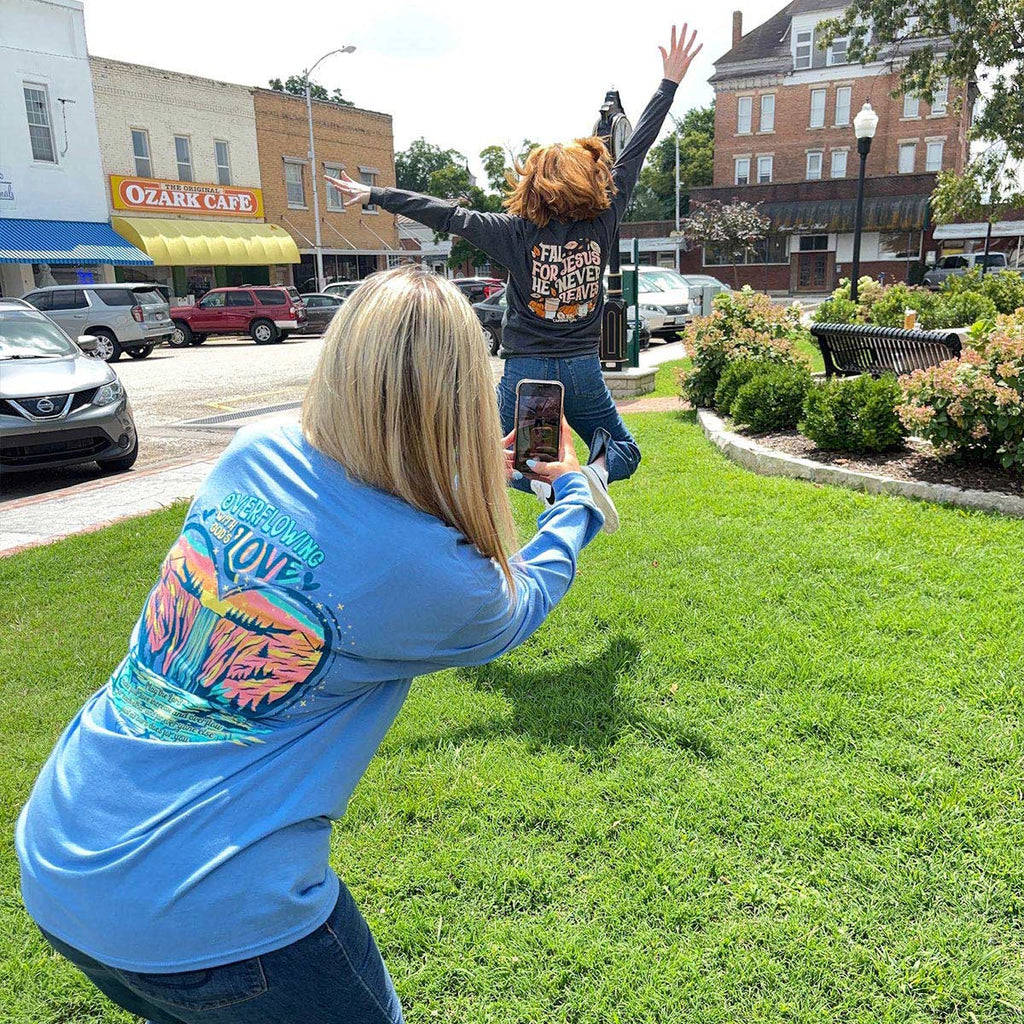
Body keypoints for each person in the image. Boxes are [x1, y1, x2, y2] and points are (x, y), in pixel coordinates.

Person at [16, 266, 603, 1024]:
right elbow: (517, 603)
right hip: (215, 916)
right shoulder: (436, 575)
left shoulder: (251, 452)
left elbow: (351, 503)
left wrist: (457, 468)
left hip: (63, 861)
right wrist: (576, 504)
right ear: (461, 397)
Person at [327, 25, 702, 535]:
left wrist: (376, 196)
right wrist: (668, 83)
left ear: (532, 186)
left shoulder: (511, 233)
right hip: (580, 368)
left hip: (525, 369)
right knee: (625, 451)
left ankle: (521, 491)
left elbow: (446, 215)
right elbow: (635, 150)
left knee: (499, 460)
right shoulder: (604, 219)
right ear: (590, 183)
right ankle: (586, 475)